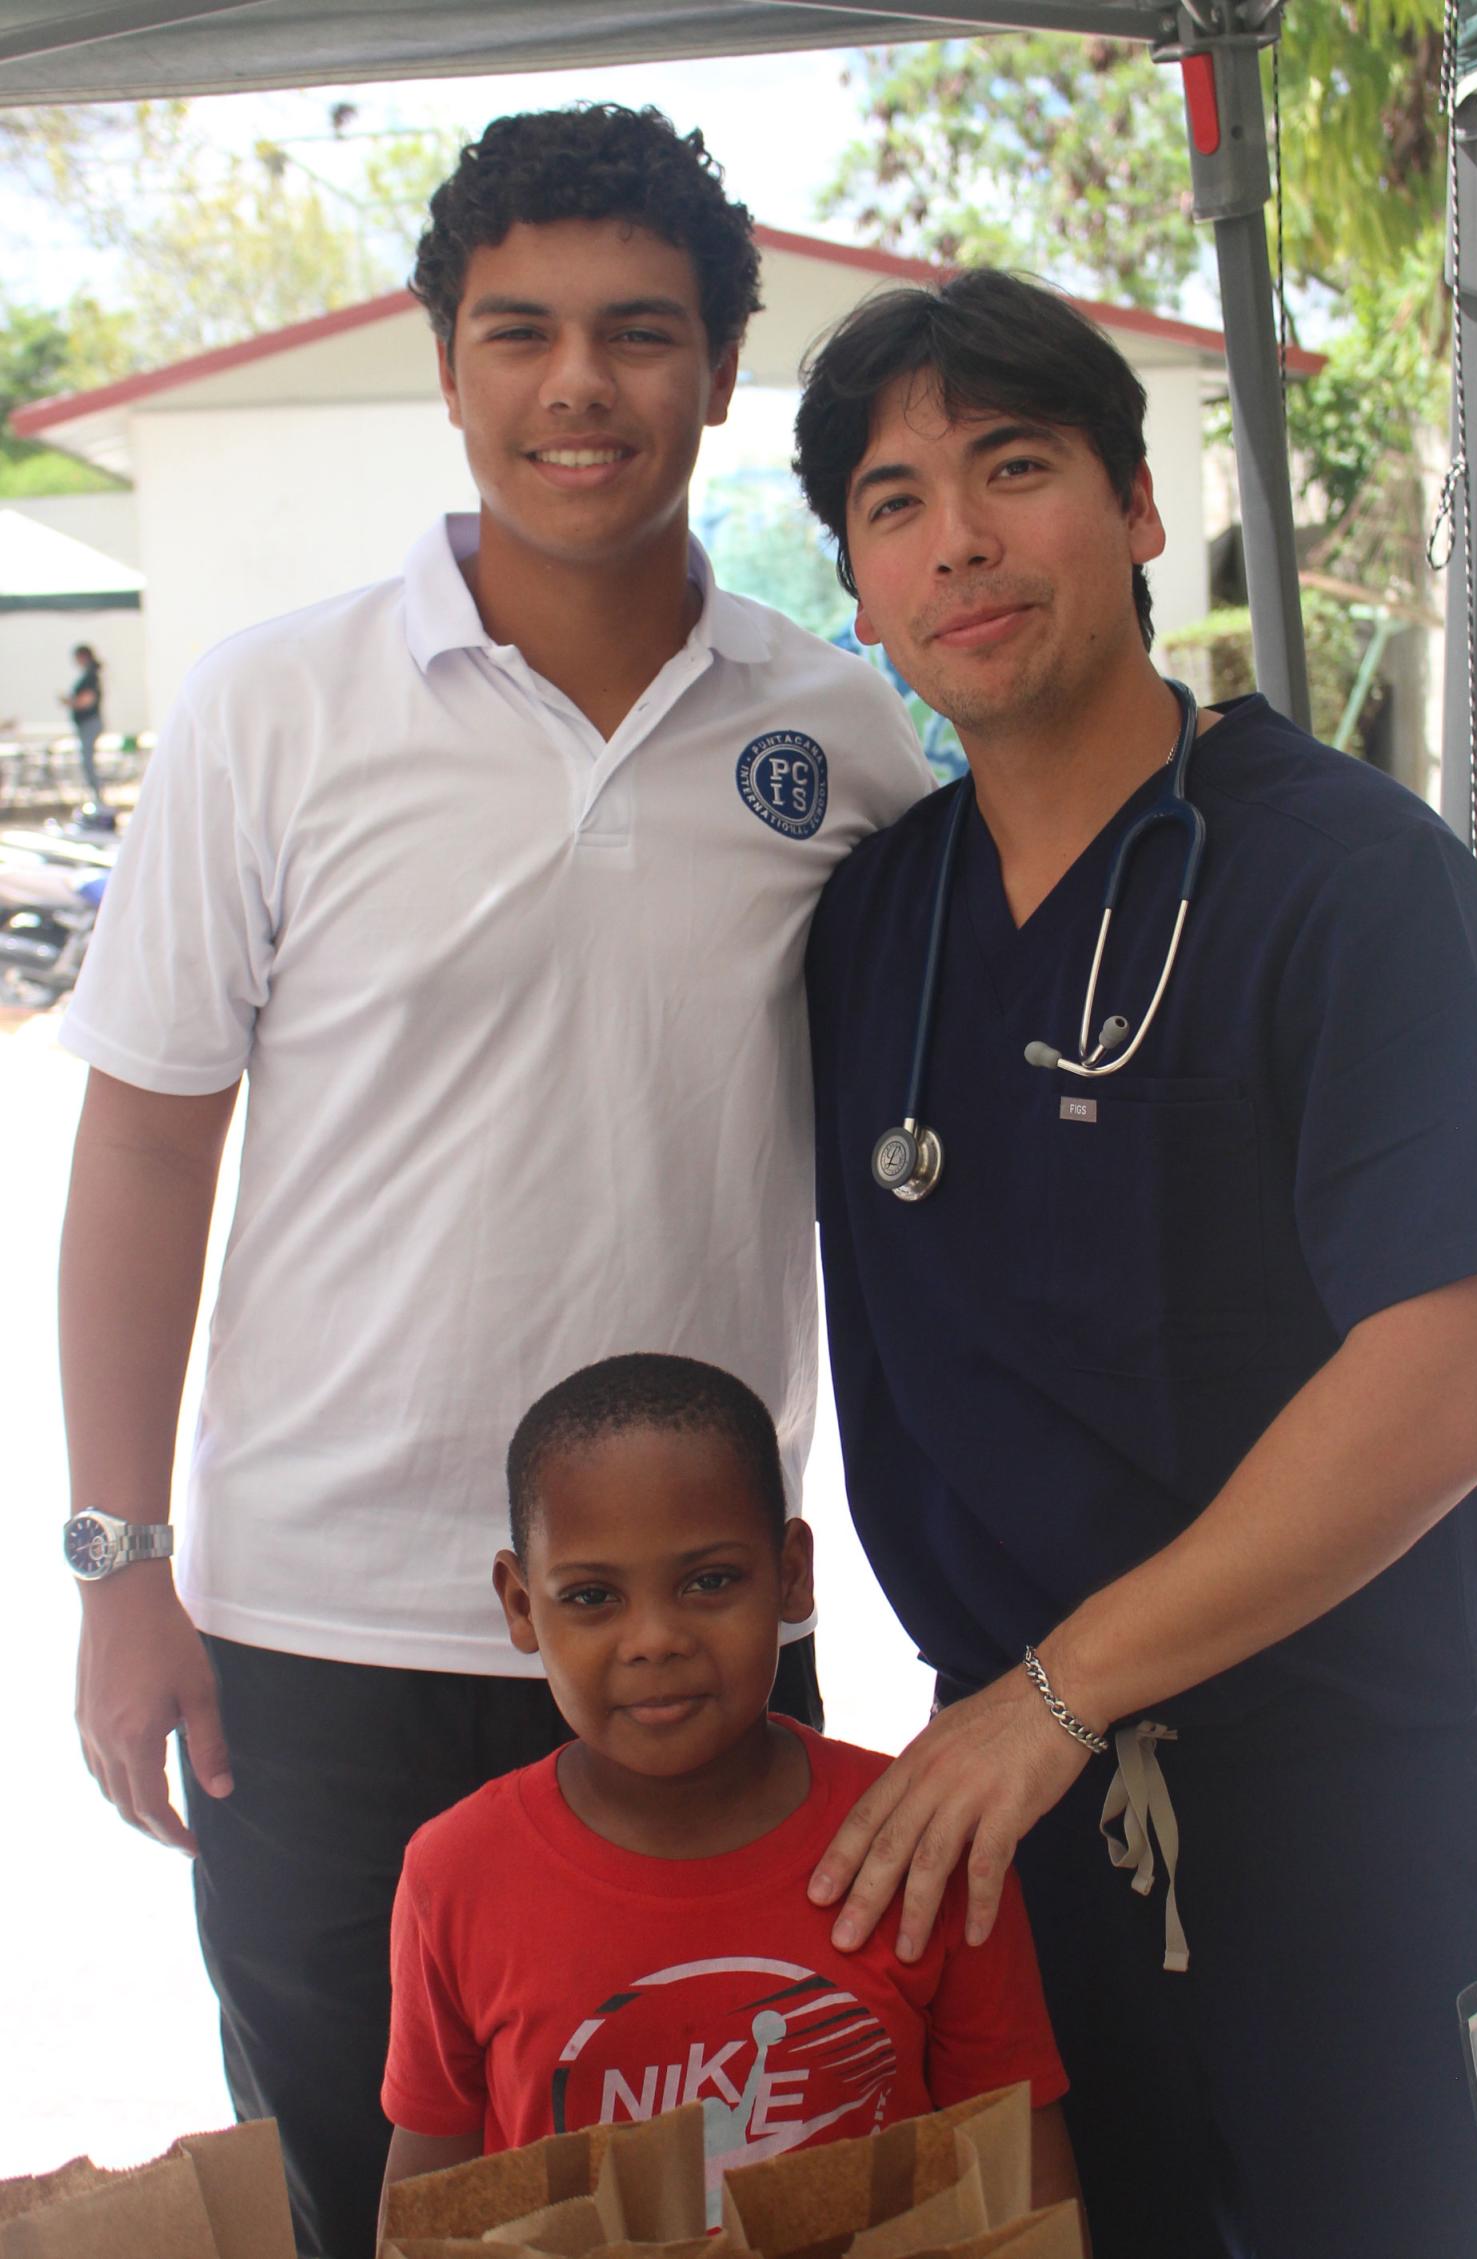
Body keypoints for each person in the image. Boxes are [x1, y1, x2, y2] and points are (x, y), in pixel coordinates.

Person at [55, 105, 929, 2259]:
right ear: (444, 363)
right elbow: (149, 1140)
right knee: (379, 2201)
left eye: (640, 334)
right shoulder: (271, 712)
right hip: (319, 1632)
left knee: (727, 2201)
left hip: (695, 1616)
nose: (579, 387)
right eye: (519, 331)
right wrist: (116, 1563)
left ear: (720, 370)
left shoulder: (841, 741)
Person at [792, 269, 1477, 2259]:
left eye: (1012, 467)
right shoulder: (868, 927)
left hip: (1341, 1804)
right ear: (855, 580)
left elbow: (1439, 1377)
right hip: (1012, 1831)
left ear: (1138, 510)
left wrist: (1053, 1694)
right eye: (894, 502)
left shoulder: (1340, 879)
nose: (958, 539)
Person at [381, 1352, 1076, 2226]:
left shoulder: (921, 1837)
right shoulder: (457, 1872)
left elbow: (1021, 2169)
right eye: (592, 1595)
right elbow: (428, 2194)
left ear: (790, 1573)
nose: (654, 1639)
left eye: (709, 1581)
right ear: (521, 1604)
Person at [61, 641, 104, 803]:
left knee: (88, 762)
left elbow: (87, 700)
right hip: (86, 723)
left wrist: (70, 702)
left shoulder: (90, 676)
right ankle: (95, 797)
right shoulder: (89, 675)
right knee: (87, 761)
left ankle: (98, 798)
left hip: (89, 723)